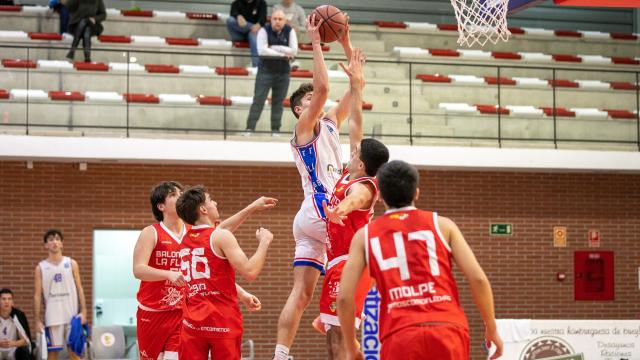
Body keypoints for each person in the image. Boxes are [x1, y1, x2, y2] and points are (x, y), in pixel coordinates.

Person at [337, 160, 504, 360]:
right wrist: (491, 328)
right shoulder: (443, 225)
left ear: (379, 195)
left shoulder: (364, 236)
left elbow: (345, 298)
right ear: (416, 192)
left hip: (400, 334)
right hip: (447, 328)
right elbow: (478, 279)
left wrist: (350, 347)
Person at [272, 13, 356, 360]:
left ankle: (281, 354)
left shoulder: (332, 122)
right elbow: (322, 88)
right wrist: (317, 40)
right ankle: (352, 348)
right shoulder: (305, 128)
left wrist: (347, 42)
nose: (317, 101)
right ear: (298, 110)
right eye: (307, 101)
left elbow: (356, 87)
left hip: (310, 216)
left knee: (302, 294)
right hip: (325, 212)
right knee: (355, 276)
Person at [133, 181, 271, 360]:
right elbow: (138, 269)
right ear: (161, 206)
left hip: (184, 313)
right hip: (154, 312)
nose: (180, 195)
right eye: (174, 194)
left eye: (181, 193)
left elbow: (218, 244)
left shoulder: (192, 232)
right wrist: (167, 274)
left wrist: (242, 294)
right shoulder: (152, 232)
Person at [315, 49, 390, 359]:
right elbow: (356, 121)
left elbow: (353, 201)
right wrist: (357, 84)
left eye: (356, 152)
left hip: (350, 264)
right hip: (339, 263)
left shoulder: (363, 187)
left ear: (361, 162)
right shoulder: (355, 173)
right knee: (337, 336)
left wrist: (339, 211)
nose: (352, 151)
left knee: (341, 337)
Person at [175, 186, 275, 359]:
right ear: (204, 209)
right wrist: (264, 242)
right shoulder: (220, 237)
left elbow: (210, 278)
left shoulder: (185, 240)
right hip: (222, 320)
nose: (215, 202)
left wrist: (242, 295)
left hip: (192, 324)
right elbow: (250, 272)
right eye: (210, 199)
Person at [34, 229, 87, 360]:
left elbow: (80, 288)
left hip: (72, 316)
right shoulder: (40, 267)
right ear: (46, 245)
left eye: (57, 239)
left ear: (62, 244)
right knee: (52, 354)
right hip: (52, 317)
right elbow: (37, 295)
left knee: (74, 353)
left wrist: (84, 311)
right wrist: (37, 319)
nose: (54, 242)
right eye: (51, 239)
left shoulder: (71, 263)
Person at [245, 9, 298, 136]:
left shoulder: (290, 31)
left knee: (278, 103)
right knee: (258, 100)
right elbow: (262, 51)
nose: (277, 21)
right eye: (275, 19)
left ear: (285, 21)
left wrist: (272, 47)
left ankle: (275, 130)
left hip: (283, 73)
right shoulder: (264, 30)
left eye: (280, 19)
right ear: (271, 19)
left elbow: (294, 51)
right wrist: (283, 54)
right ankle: (249, 129)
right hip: (265, 72)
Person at [227, 0, 267, 67]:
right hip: (239, 34)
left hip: (253, 33)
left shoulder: (261, 3)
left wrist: (258, 25)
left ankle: (256, 66)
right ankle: (250, 27)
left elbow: (263, 18)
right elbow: (233, 12)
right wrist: (238, 16)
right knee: (230, 20)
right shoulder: (236, 3)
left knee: (254, 36)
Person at [0, 289, 31, 360]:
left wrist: (12, 343)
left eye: (9, 299)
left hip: (13, 349)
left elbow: (24, 340)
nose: (6, 301)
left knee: (23, 351)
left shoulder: (18, 316)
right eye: (3, 299)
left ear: (12, 302)